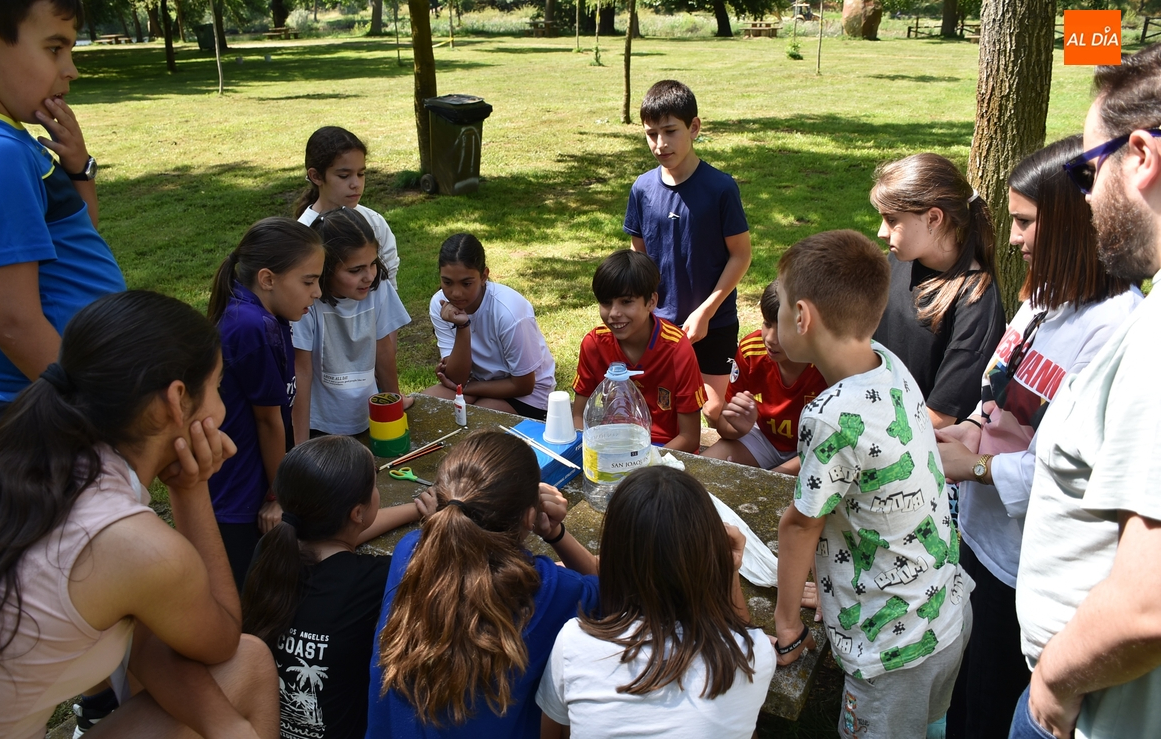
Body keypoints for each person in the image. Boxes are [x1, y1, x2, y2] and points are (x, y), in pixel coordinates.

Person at [0, 290, 277, 739]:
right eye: (218, 388)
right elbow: (222, 640)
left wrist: (222, 723)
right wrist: (191, 489)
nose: (222, 409)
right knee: (249, 661)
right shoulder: (131, 543)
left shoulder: (32, 472)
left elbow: (148, 636)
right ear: (175, 400)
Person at [932, 137, 1139, 739]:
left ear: (1074, 224)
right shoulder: (1043, 299)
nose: (1013, 237)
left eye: (1025, 222)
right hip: (979, 540)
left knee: (989, 713)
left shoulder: (1117, 330)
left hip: (1026, 569)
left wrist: (975, 468)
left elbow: (1076, 469)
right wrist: (970, 431)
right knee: (963, 699)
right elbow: (998, 396)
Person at [1010, 43, 1161, 739]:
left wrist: (1053, 685)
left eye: (1088, 172)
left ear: (1141, 156)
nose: (1088, 199)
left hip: (1093, 711)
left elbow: (1147, 603)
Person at [772, 230, 971, 739]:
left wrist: (787, 623)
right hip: (945, 611)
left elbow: (800, 525)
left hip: (891, 652)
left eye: (780, 308)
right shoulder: (887, 362)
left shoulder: (830, 415)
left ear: (802, 317)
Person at [0, 0, 125, 447]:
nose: (71, 69)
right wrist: (95, 410)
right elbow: (13, 320)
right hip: (43, 404)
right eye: (55, 48)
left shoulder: (6, 137)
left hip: (48, 390)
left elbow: (76, 233)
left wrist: (79, 169)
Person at [367, 431, 598, 738]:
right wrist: (555, 533)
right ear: (530, 517)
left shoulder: (409, 553)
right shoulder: (548, 589)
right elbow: (612, 590)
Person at [536, 466, 776, 739]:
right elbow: (739, 635)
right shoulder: (755, 653)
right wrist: (730, 568)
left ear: (611, 554)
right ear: (710, 554)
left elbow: (551, 734)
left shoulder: (574, 644)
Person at [241, 435, 434, 739]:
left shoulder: (270, 549)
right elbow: (442, 563)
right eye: (375, 487)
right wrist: (436, 521)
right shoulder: (374, 579)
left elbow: (340, 534)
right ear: (357, 513)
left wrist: (415, 508)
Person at [624, 79, 752, 423]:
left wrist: (706, 312)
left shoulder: (721, 188)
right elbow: (639, 257)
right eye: (651, 134)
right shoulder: (642, 188)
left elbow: (741, 255)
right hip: (659, 323)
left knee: (711, 409)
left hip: (715, 321)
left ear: (694, 127)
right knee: (659, 408)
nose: (660, 144)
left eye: (670, 131)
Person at [207, 217, 325, 591]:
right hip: (239, 498)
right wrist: (279, 495)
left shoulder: (270, 316)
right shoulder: (251, 327)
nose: (317, 292)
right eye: (308, 281)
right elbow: (269, 421)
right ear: (268, 279)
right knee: (249, 600)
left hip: (256, 484)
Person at [871, 153, 1005, 429]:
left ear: (933, 218)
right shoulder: (899, 260)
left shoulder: (975, 300)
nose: (882, 232)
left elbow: (941, 417)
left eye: (892, 219)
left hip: (910, 442)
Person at [291, 208, 412, 444]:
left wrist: (394, 405)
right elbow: (301, 372)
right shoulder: (307, 302)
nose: (369, 276)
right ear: (325, 269)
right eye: (355, 270)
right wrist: (301, 445)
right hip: (321, 425)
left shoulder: (377, 287)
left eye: (373, 263)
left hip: (369, 417)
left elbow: (384, 352)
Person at [571, 249, 705, 452]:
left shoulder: (678, 349)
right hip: (609, 447)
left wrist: (646, 461)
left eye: (626, 302)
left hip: (664, 452)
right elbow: (578, 416)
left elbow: (689, 437)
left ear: (651, 301)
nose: (614, 313)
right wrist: (593, 452)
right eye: (606, 303)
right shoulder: (594, 344)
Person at [424, 233, 557, 420]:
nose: (455, 293)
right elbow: (456, 379)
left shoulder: (509, 312)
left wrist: (469, 388)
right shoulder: (440, 304)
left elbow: (524, 385)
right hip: (477, 382)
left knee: (472, 424)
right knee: (423, 409)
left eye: (466, 283)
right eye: (447, 282)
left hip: (527, 395)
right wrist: (463, 327)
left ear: (484, 276)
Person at [705, 281, 827, 473]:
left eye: (783, 328)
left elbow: (836, 445)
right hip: (763, 438)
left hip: (818, 449)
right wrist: (739, 427)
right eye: (767, 324)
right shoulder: (750, 351)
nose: (770, 338)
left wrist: (776, 474)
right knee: (704, 469)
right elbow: (724, 426)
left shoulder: (827, 363)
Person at [295, 126, 399, 288]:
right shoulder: (302, 235)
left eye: (361, 174)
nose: (356, 184)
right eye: (344, 176)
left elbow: (389, 285)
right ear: (316, 176)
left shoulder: (375, 222)